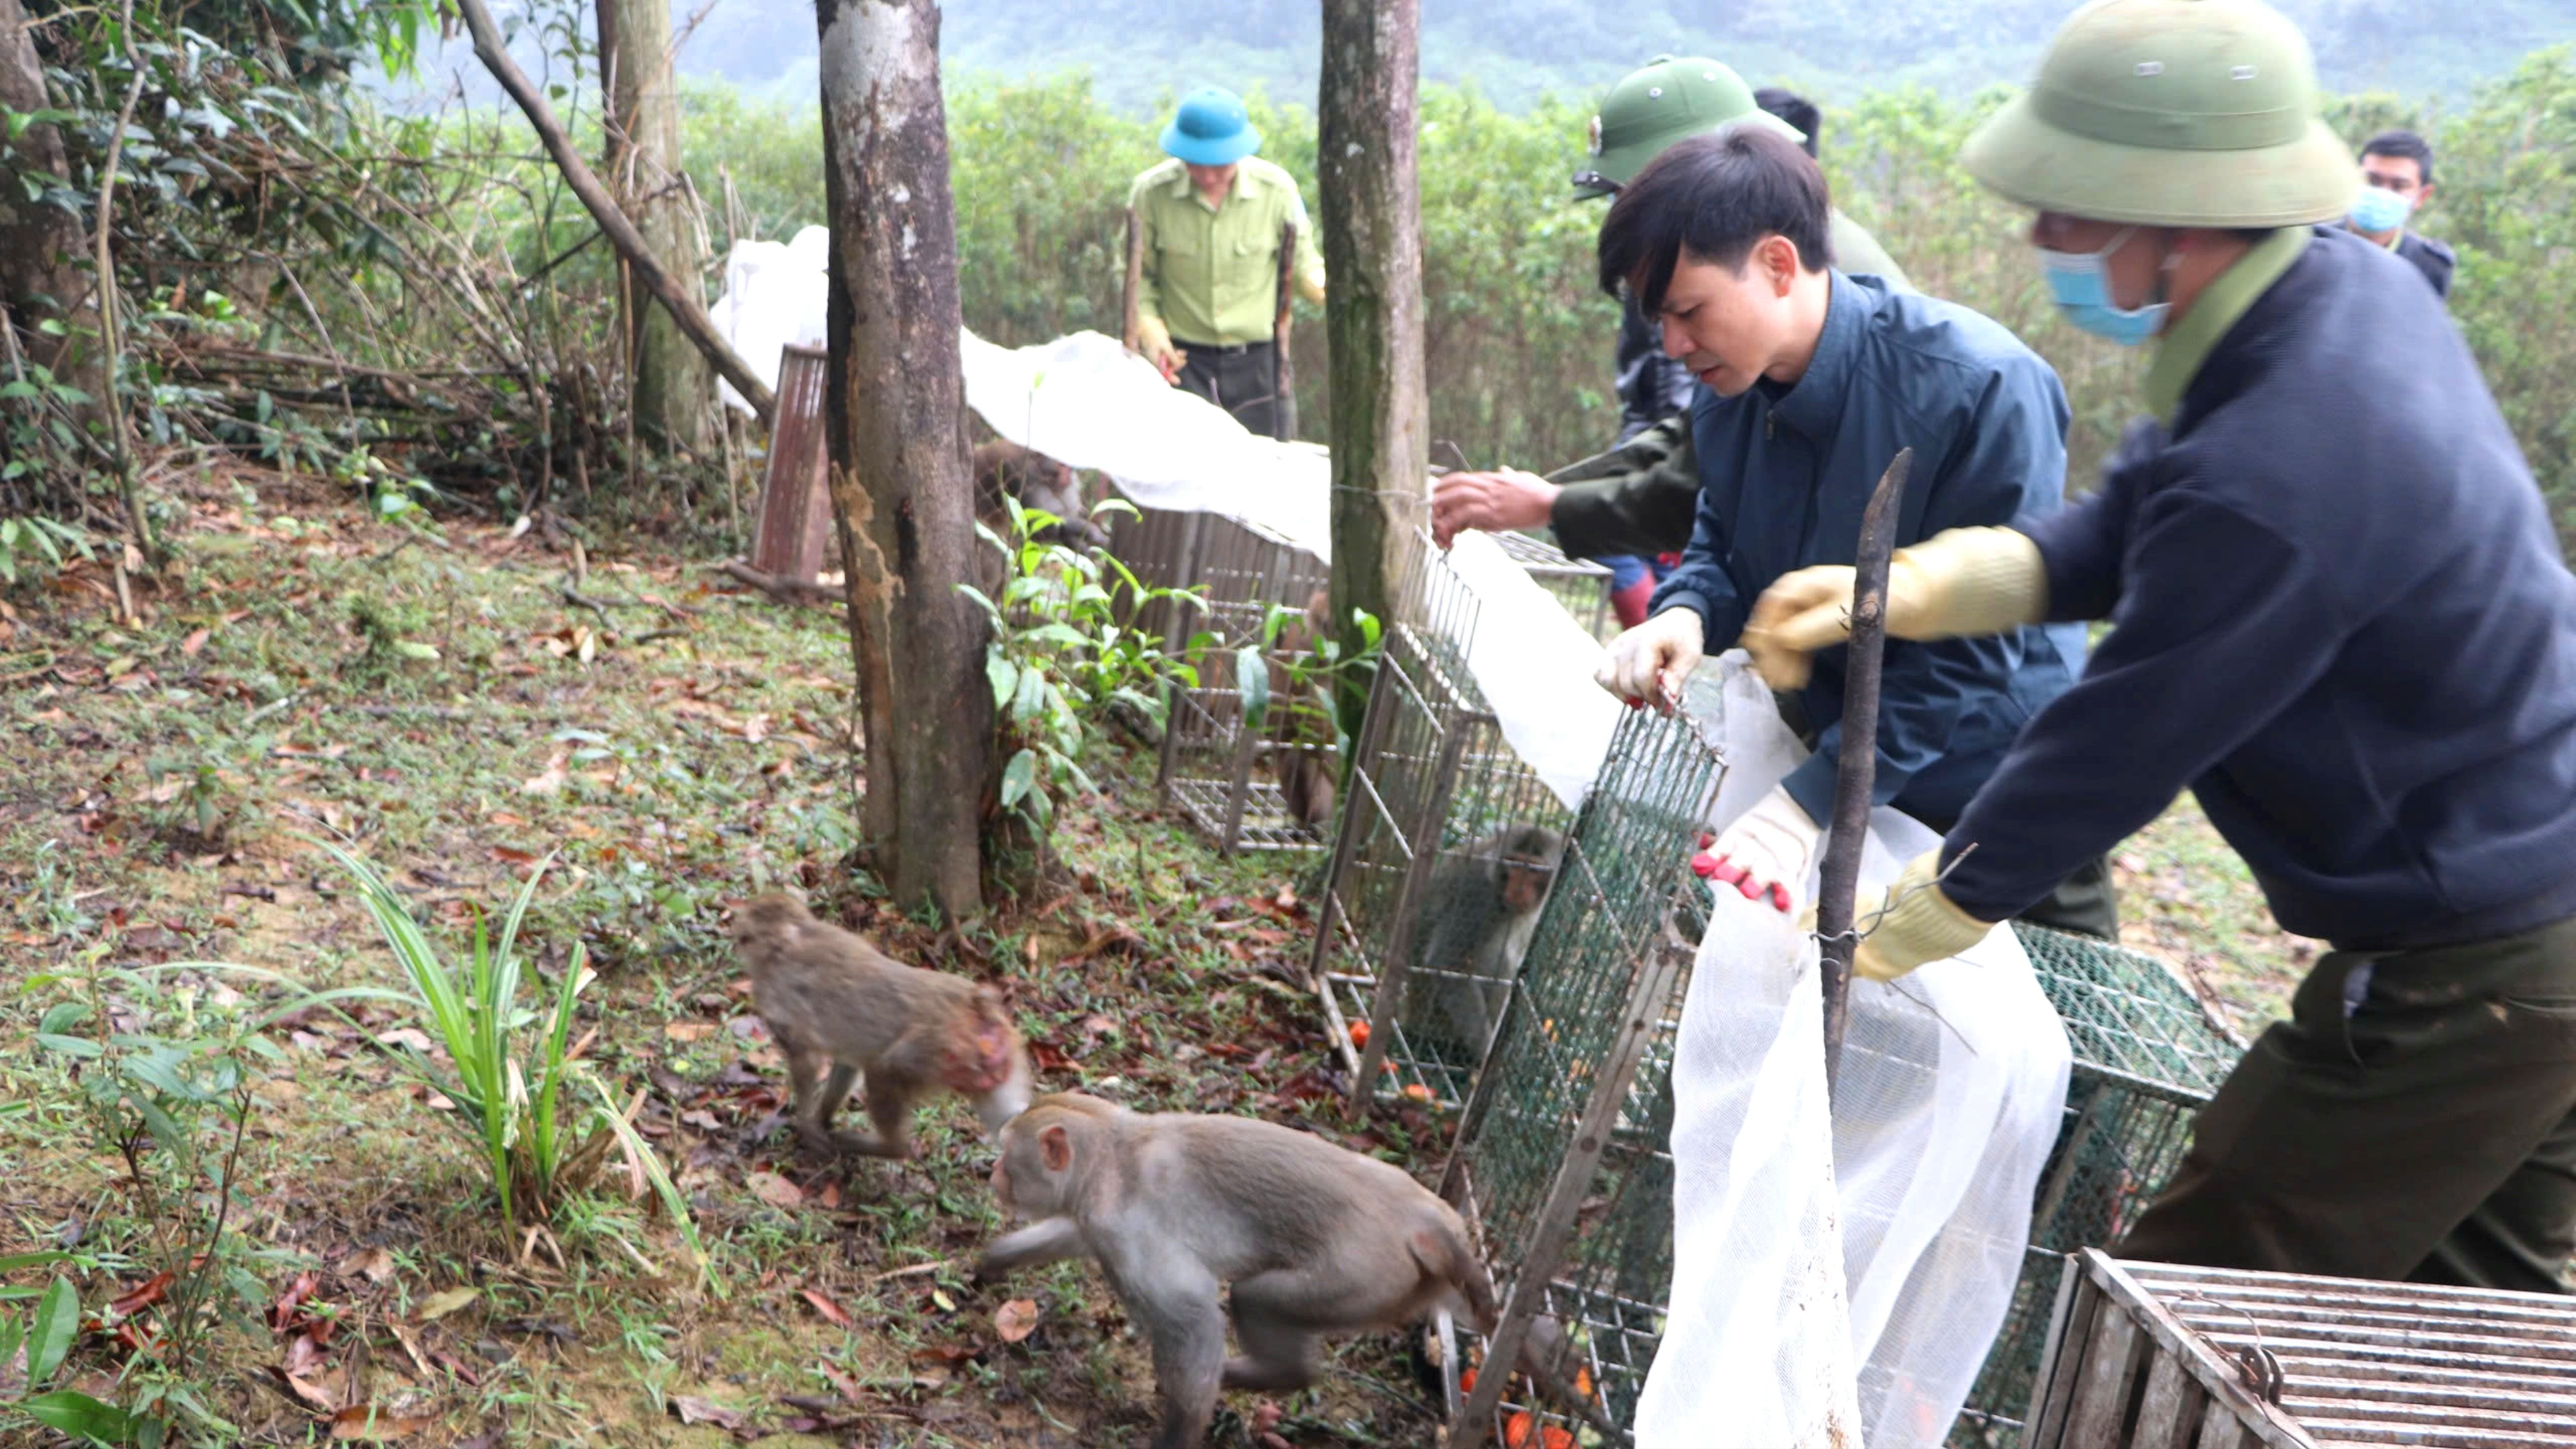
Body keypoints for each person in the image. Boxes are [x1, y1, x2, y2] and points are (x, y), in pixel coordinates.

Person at [1747, 0, 2576, 1293]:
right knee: (2477, 1307)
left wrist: (1925, 909)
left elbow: (2127, 731)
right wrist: (1910, 585)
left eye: (2069, 213)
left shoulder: (2288, 457)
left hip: (2485, 953)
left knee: (2200, 1286)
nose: (2042, 239)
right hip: (2533, 901)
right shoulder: (2329, 294)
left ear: (2172, 221)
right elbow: (2137, 519)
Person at [1573, 125, 2114, 941]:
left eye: (1689, 311)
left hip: (1996, 778)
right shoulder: (1729, 393)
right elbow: (1725, 541)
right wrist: (1684, 612)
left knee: (2050, 1009)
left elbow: (1972, 655)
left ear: (1779, 265)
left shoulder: (1977, 388)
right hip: (1838, 754)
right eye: (1661, 323)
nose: (1677, 347)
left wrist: (1811, 802)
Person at [1433, 57, 1915, 629]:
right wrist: (1550, 492)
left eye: (1628, 193)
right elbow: (1702, 434)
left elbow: (1707, 484)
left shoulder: (1784, 276)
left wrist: (1550, 506)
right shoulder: (1727, 276)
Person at [1127, 87, 1325, 441]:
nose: (1206, 176)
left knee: (1269, 469)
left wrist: (1325, 288)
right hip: (1184, 364)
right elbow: (1138, 277)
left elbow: (1304, 261)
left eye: (1217, 165)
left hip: (1261, 363)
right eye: (1194, 163)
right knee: (1182, 474)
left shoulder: (1278, 191)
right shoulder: (1151, 194)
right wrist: (1150, 329)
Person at [2348, 128, 2455, 300]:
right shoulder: (2312, 244)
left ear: (2422, 196)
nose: (2382, 193)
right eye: (2372, 181)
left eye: (2399, 186)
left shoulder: (2429, 266)